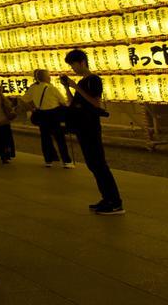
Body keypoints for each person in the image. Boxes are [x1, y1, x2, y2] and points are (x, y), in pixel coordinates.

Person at [61, 49, 124, 215]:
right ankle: (106, 198)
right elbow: (73, 103)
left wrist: (75, 86)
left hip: (91, 127)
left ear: (82, 62)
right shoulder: (82, 82)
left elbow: (95, 103)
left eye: (73, 65)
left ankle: (115, 202)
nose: (73, 69)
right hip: (82, 126)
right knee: (93, 164)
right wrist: (68, 88)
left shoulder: (93, 80)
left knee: (99, 164)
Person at [25, 69, 73, 167]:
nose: (50, 77)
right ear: (46, 78)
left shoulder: (33, 88)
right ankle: (66, 161)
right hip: (53, 115)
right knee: (60, 138)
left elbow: (24, 99)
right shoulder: (52, 88)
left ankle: (48, 160)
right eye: (48, 76)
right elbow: (63, 102)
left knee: (45, 138)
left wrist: (33, 108)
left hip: (41, 114)